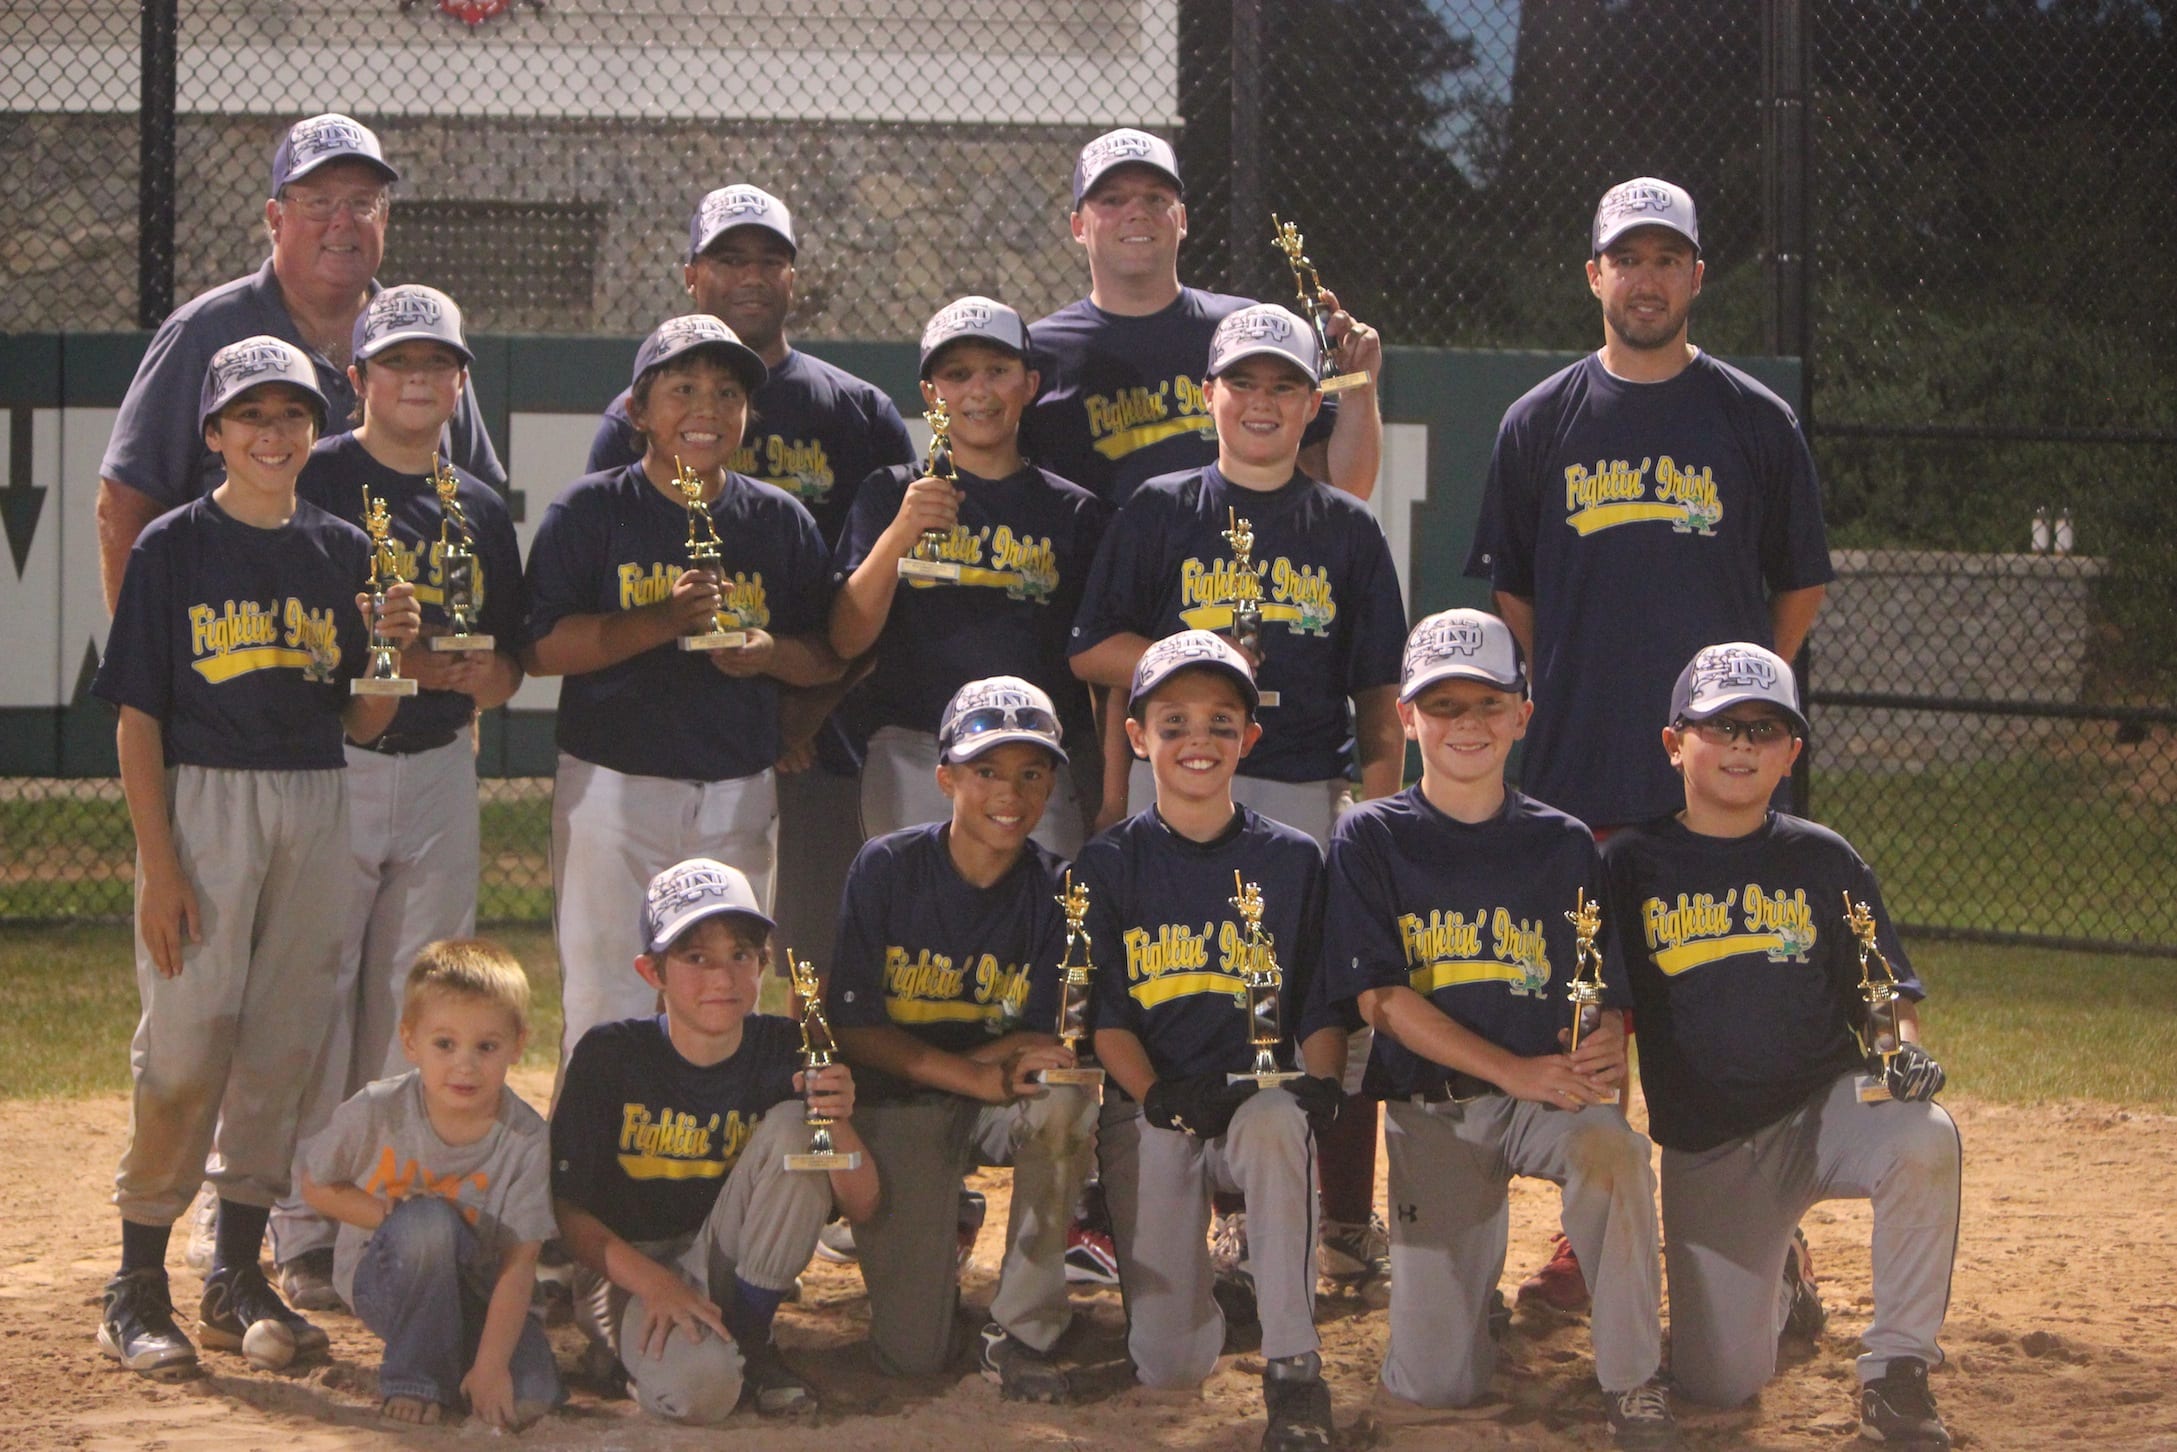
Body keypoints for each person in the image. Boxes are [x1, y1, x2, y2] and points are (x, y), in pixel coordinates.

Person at [1463, 176, 1835, 1310]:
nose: (1645, 277)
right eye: (1625, 258)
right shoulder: (1538, 422)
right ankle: (1595, 1221)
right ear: (1594, 277)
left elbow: (1800, 588)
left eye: (1665, 257)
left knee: (1730, 994)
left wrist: (1738, 718)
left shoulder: (1749, 420)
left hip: (1716, 784)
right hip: (1581, 762)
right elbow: (1515, 603)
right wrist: (1584, 681)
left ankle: (1772, 1232)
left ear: (1694, 277)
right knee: (1591, 999)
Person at [91, 336, 421, 1380]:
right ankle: (137, 1281)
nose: (272, 435)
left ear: (314, 431)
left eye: (290, 417)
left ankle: (238, 1273)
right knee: (187, 1045)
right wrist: (161, 864)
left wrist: (390, 654)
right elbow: (137, 716)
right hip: (205, 803)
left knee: (284, 1043)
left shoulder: (341, 551)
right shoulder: (174, 548)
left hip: (316, 797)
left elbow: (365, 723)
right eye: (250, 417)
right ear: (215, 435)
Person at [1069, 305, 1406, 1295]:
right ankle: (1197, 1211)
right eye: (1243, 383)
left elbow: (1378, 699)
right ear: (1207, 395)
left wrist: (1377, 825)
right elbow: (1093, 651)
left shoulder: (1342, 528)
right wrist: (1194, 670)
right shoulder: (1160, 505)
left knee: (1309, 1001)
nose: (1261, 404)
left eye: (1284, 387)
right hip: (1172, 786)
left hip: (1298, 784)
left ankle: (1334, 1217)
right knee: (1181, 990)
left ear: (1311, 405)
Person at [1323, 609, 1678, 1449]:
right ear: (1406, 719)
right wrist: (1514, 1070)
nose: (1466, 725)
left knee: (1613, 1151)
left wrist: (1600, 1044)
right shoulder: (1370, 836)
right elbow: (1379, 1000)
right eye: (1442, 707)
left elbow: (1595, 991)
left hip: (1542, 1100)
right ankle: (1466, 1300)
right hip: (1435, 1108)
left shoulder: (1560, 845)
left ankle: (1634, 1381)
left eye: (1487, 704)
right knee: (1436, 1382)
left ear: (1523, 714)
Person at [1605, 643, 1960, 1447]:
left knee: (1923, 1137)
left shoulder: (1821, 859)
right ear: (1673, 743)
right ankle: (1785, 1278)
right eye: (1718, 726)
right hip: (1711, 1147)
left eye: (1762, 730)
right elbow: (1604, 1010)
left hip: (1823, 1108)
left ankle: (1897, 1374)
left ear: (1790, 751)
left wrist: (1898, 1046)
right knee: (1717, 1384)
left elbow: (1883, 990)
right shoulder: (1629, 865)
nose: (1739, 746)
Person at [584, 183, 917, 972]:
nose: (752, 275)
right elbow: (614, 588)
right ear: (691, 275)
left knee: (813, 956)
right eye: (729, 258)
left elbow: (874, 589)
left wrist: (802, 711)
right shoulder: (629, 415)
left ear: (794, 279)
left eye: (772, 259)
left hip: (819, 730)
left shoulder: (856, 411)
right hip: (675, 733)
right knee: (653, 958)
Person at [273, 284, 527, 1309]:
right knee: (316, 997)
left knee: (411, 1009)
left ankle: (369, 1226)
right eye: (396, 363)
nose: (417, 379)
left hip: (435, 769)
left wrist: (477, 676)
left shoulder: (476, 501)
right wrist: (407, 658)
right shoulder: (318, 476)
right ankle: (291, 1220)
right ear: (357, 379)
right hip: (332, 765)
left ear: (459, 381)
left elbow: (510, 659)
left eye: (436, 364)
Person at [522, 315, 840, 1064]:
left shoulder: (777, 520)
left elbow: (825, 654)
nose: (706, 408)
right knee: (606, 997)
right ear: (638, 412)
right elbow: (539, 648)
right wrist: (663, 619)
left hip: (736, 779)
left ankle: (706, 1168)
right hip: (612, 780)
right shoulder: (594, 510)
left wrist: (766, 654)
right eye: (683, 389)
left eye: (727, 393)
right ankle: (588, 1177)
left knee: (723, 993)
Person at [1076, 631, 1350, 1452]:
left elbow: (1317, 1003)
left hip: (1249, 1106)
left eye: (1221, 722)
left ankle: (1295, 1370)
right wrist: (1156, 1095)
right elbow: (1108, 1017)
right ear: (1136, 737)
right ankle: (1227, 1295)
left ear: (1249, 737)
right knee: (1166, 1363)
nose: (1198, 741)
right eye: (1174, 722)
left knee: (1274, 1125)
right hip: (1156, 1110)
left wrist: (1323, 1088)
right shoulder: (1105, 864)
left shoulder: (1293, 859)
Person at [98, 113, 504, 616]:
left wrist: (461, 652)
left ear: (384, 219)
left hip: (400, 671)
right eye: (318, 202)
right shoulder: (203, 332)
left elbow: (467, 506)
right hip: (240, 650)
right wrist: (138, 660)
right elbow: (128, 500)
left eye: (362, 203)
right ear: (275, 219)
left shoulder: (424, 340)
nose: (343, 221)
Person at [824, 677, 1099, 1398]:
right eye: (986, 771)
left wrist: (967, 1073)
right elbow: (852, 1028)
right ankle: (945, 1215)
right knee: (912, 1354)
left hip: (974, 1097)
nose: (1009, 793)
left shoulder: (1057, 891)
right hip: (898, 1108)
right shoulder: (885, 868)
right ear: (945, 777)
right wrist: (976, 1071)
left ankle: (1022, 1328)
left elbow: (1046, 1033)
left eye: (1030, 773)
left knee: (1063, 1098)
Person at [551, 859, 877, 1422]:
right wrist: (655, 1283)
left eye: (740, 956)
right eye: (695, 958)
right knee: (704, 1394)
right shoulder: (610, 1056)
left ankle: (749, 1339)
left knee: (797, 1126)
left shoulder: (785, 1049)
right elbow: (567, 1212)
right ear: (652, 972)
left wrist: (837, 1121)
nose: (722, 979)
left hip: (723, 1258)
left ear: (763, 965)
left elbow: (863, 1203)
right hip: (629, 1268)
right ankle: (651, 1358)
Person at [830, 297, 1108, 853]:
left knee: (1038, 927)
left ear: (1029, 385)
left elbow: (1095, 667)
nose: (978, 391)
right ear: (931, 394)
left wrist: (1108, 791)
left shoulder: (1073, 512)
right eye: (957, 375)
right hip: (917, 749)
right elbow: (845, 637)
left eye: (997, 371)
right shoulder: (891, 493)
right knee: (918, 927)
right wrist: (897, 536)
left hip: (1034, 756)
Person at [1021, 128, 1382, 506]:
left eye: (1155, 199)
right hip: (1103, 565)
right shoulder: (1040, 354)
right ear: (1078, 226)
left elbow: (1345, 490)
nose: (1137, 213)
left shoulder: (1245, 329)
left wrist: (1359, 388)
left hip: (1240, 564)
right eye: (1112, 199)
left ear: (1181, 219)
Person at [297, 940, 561, 1429]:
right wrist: (394, 1216)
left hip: (479, 1287)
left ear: (518, 1044)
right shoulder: (378, 1109)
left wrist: (490, 1366)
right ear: (410, 1041)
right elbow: (316, 1184)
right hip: (390, 1280)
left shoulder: (526, 1138)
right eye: (445, 1044)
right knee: (428, 1225)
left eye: (486, 1046)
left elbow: (520, 1262)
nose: (465, 1065)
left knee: (530, 1396)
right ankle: (416, 1378)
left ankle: (456, 1361)